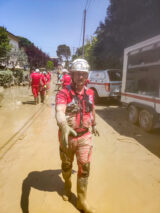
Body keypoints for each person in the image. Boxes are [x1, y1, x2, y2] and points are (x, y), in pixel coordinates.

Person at [55, 59, 99, 213]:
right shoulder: (63, 92)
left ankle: (82, 200)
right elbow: (59, 111)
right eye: (77, 74)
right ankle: (67, 185)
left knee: (85, 167)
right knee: (67, 167)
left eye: (84, 74)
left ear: (87, 76)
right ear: (72, 74)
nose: (81, 77)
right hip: (67, 138)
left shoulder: (90, 92)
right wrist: (64, 125)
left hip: (85, 137)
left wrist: (94, 124)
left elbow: (91, 108)